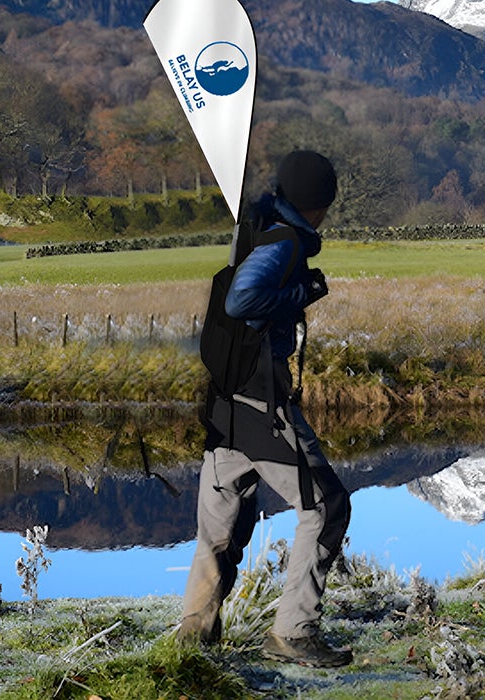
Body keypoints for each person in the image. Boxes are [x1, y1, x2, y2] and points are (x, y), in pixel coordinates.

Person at [178, 149, 353, 668]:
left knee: (221, 530)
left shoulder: (259, 227)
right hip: (260, 405)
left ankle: (194, 645)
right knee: (326, 507)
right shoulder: (285, 242)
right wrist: (303, 290)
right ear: (318, 203)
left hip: (226, 407)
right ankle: (292, 635)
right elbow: (242, 300)